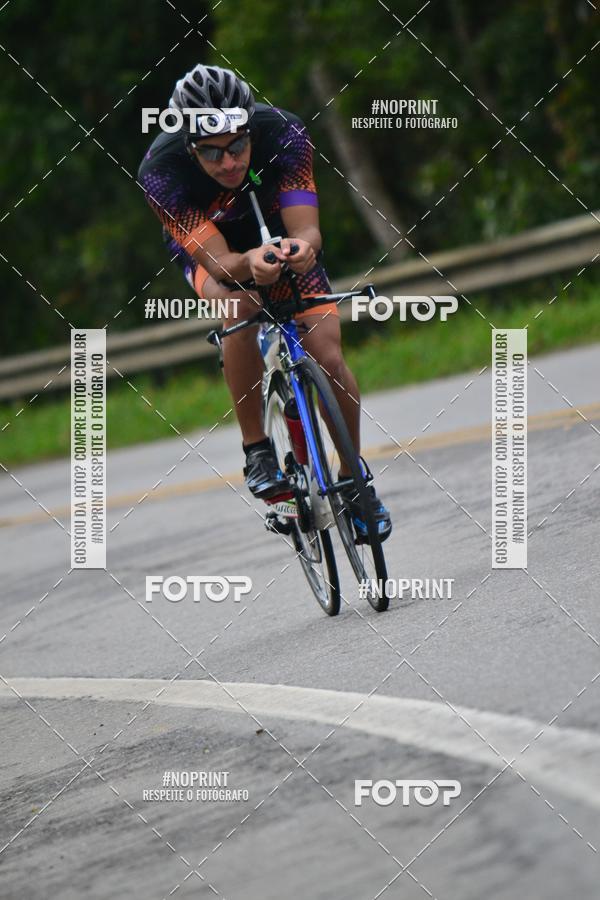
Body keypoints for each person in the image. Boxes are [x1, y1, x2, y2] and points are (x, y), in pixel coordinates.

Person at [139, 64, 391, 543]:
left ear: (251, 127)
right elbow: (220, 265)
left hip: (274, 227)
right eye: (212, 153)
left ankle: (356, 482)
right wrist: (247, 265)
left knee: (329, 356)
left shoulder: (285, 132)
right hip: (213, 250)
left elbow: (308, 230)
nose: (230, 162)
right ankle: (257, 448)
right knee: (238, 307)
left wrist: (302, 250)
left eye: (238, 145)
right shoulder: (161, 172)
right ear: (190, 145)